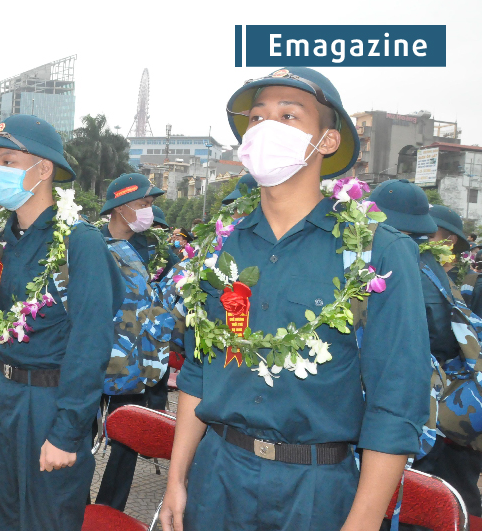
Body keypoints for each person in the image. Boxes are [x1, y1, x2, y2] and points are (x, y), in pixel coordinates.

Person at [160, 67, 431, 531]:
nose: (267, 128)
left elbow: (396, 404)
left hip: (317, 489)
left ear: (326, 141)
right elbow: (199, 374)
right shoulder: (219, 248)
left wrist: (362, 523)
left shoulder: (378, 252)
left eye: (288, 116)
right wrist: (176, 480)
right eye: (258, 118)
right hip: (218, 475)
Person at [0, 114, 124, 530]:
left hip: (51, 402)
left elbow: (90, 343)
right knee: (0, 514)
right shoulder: (0, 242)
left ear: (43, 169)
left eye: (8, 160)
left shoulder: (79, 242)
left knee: (47, 517)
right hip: (3, 398)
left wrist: (67, 431)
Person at [372, 183, 482, 520]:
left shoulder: (406, 265)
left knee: (421, 497)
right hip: (437, 404)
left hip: (423, 406)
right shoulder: (430, 268)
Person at [94, 173, 172, 511]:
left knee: (125, 440)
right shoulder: (89, 246)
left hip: (139, 363)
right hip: (96, 357)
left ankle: (111, 508)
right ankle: (78, 508)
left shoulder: (155, 250)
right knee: (81, 436)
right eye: (144, 204)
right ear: (122, 206)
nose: (149, 211)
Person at [429, 204, 482, 315]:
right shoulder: (416, 272)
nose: (422, 242)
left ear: (451, 241)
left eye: (430, 236)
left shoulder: (474, 284)